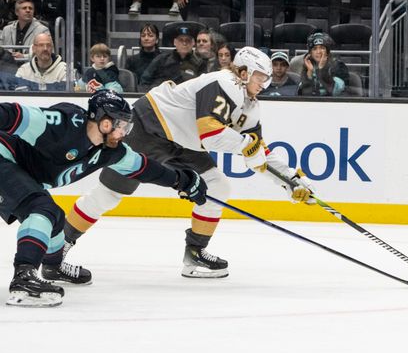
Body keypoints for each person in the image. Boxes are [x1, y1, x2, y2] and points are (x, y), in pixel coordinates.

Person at [61, 47, 315, 282]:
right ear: (244, 71)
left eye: (267, 78)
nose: (264, 84)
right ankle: (57, 248)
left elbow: (258, 150)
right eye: (260, 77)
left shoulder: (250, 105)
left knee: (218, 186)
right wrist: (244, 144)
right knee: (109, 194)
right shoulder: (225, 82)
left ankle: (195, 253)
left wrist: (290, 180)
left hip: (184, 143)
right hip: (151, 127)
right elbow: (211, 133)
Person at [0, 90, 207, 307]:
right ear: (105, 122)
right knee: (42, 210)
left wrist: (182, 180)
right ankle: (24, 277)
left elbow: (143, 168)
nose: (124, 133)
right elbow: (11, 114)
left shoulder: (110, 151)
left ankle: (53, 267)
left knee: (56, 219)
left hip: (16, 169)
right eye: (121, 126)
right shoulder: (63, 123)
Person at [139, 24, 207, 91]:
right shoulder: (161, 59)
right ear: (175, 42)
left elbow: (204, 87)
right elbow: (145, 81)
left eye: (187, 40)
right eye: (181, 40)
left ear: (193, 43)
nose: (184, 43)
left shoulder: (200, 63)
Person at [298, 32, 349, 97]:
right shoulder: (307, 66)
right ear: (310, 53)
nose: (318, 52)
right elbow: (303, 94)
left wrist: (322, 70)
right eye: (315, 49)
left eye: (322, 48)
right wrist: (309, 74)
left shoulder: (339, 66)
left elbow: (335, 92)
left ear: (327, 51)